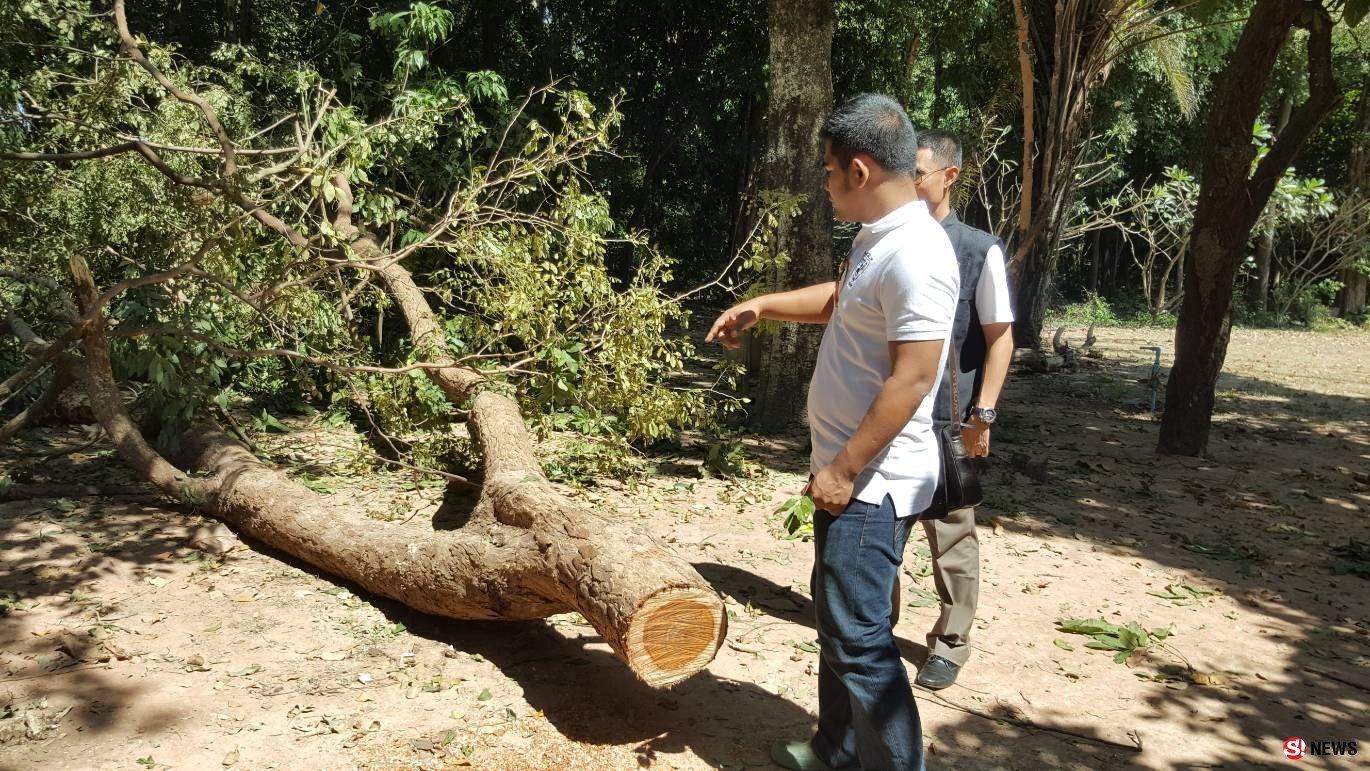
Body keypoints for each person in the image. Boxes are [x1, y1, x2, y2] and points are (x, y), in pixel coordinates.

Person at [707, 94, 959, 771]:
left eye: (826, 172)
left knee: (860, 637)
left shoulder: (918, 255)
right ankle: (836, 749)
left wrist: (845, 468)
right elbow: (841, 299)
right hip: (847, 473)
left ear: (858, 170)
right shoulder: (880, 238)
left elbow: (912, 377)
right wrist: (762, 305)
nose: (824, 185)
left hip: (873, 481)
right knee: (838, 619)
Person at [896, 130, 1016, 692]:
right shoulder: (882, 241)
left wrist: (982, 415)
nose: (908, 182)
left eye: (917, 172)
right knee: (880, 534)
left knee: (953, 541)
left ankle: (951, 642)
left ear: (949, 177)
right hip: (888, 419)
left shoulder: (977, 249)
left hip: (946, 424)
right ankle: (875, 630)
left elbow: (1000, 338)